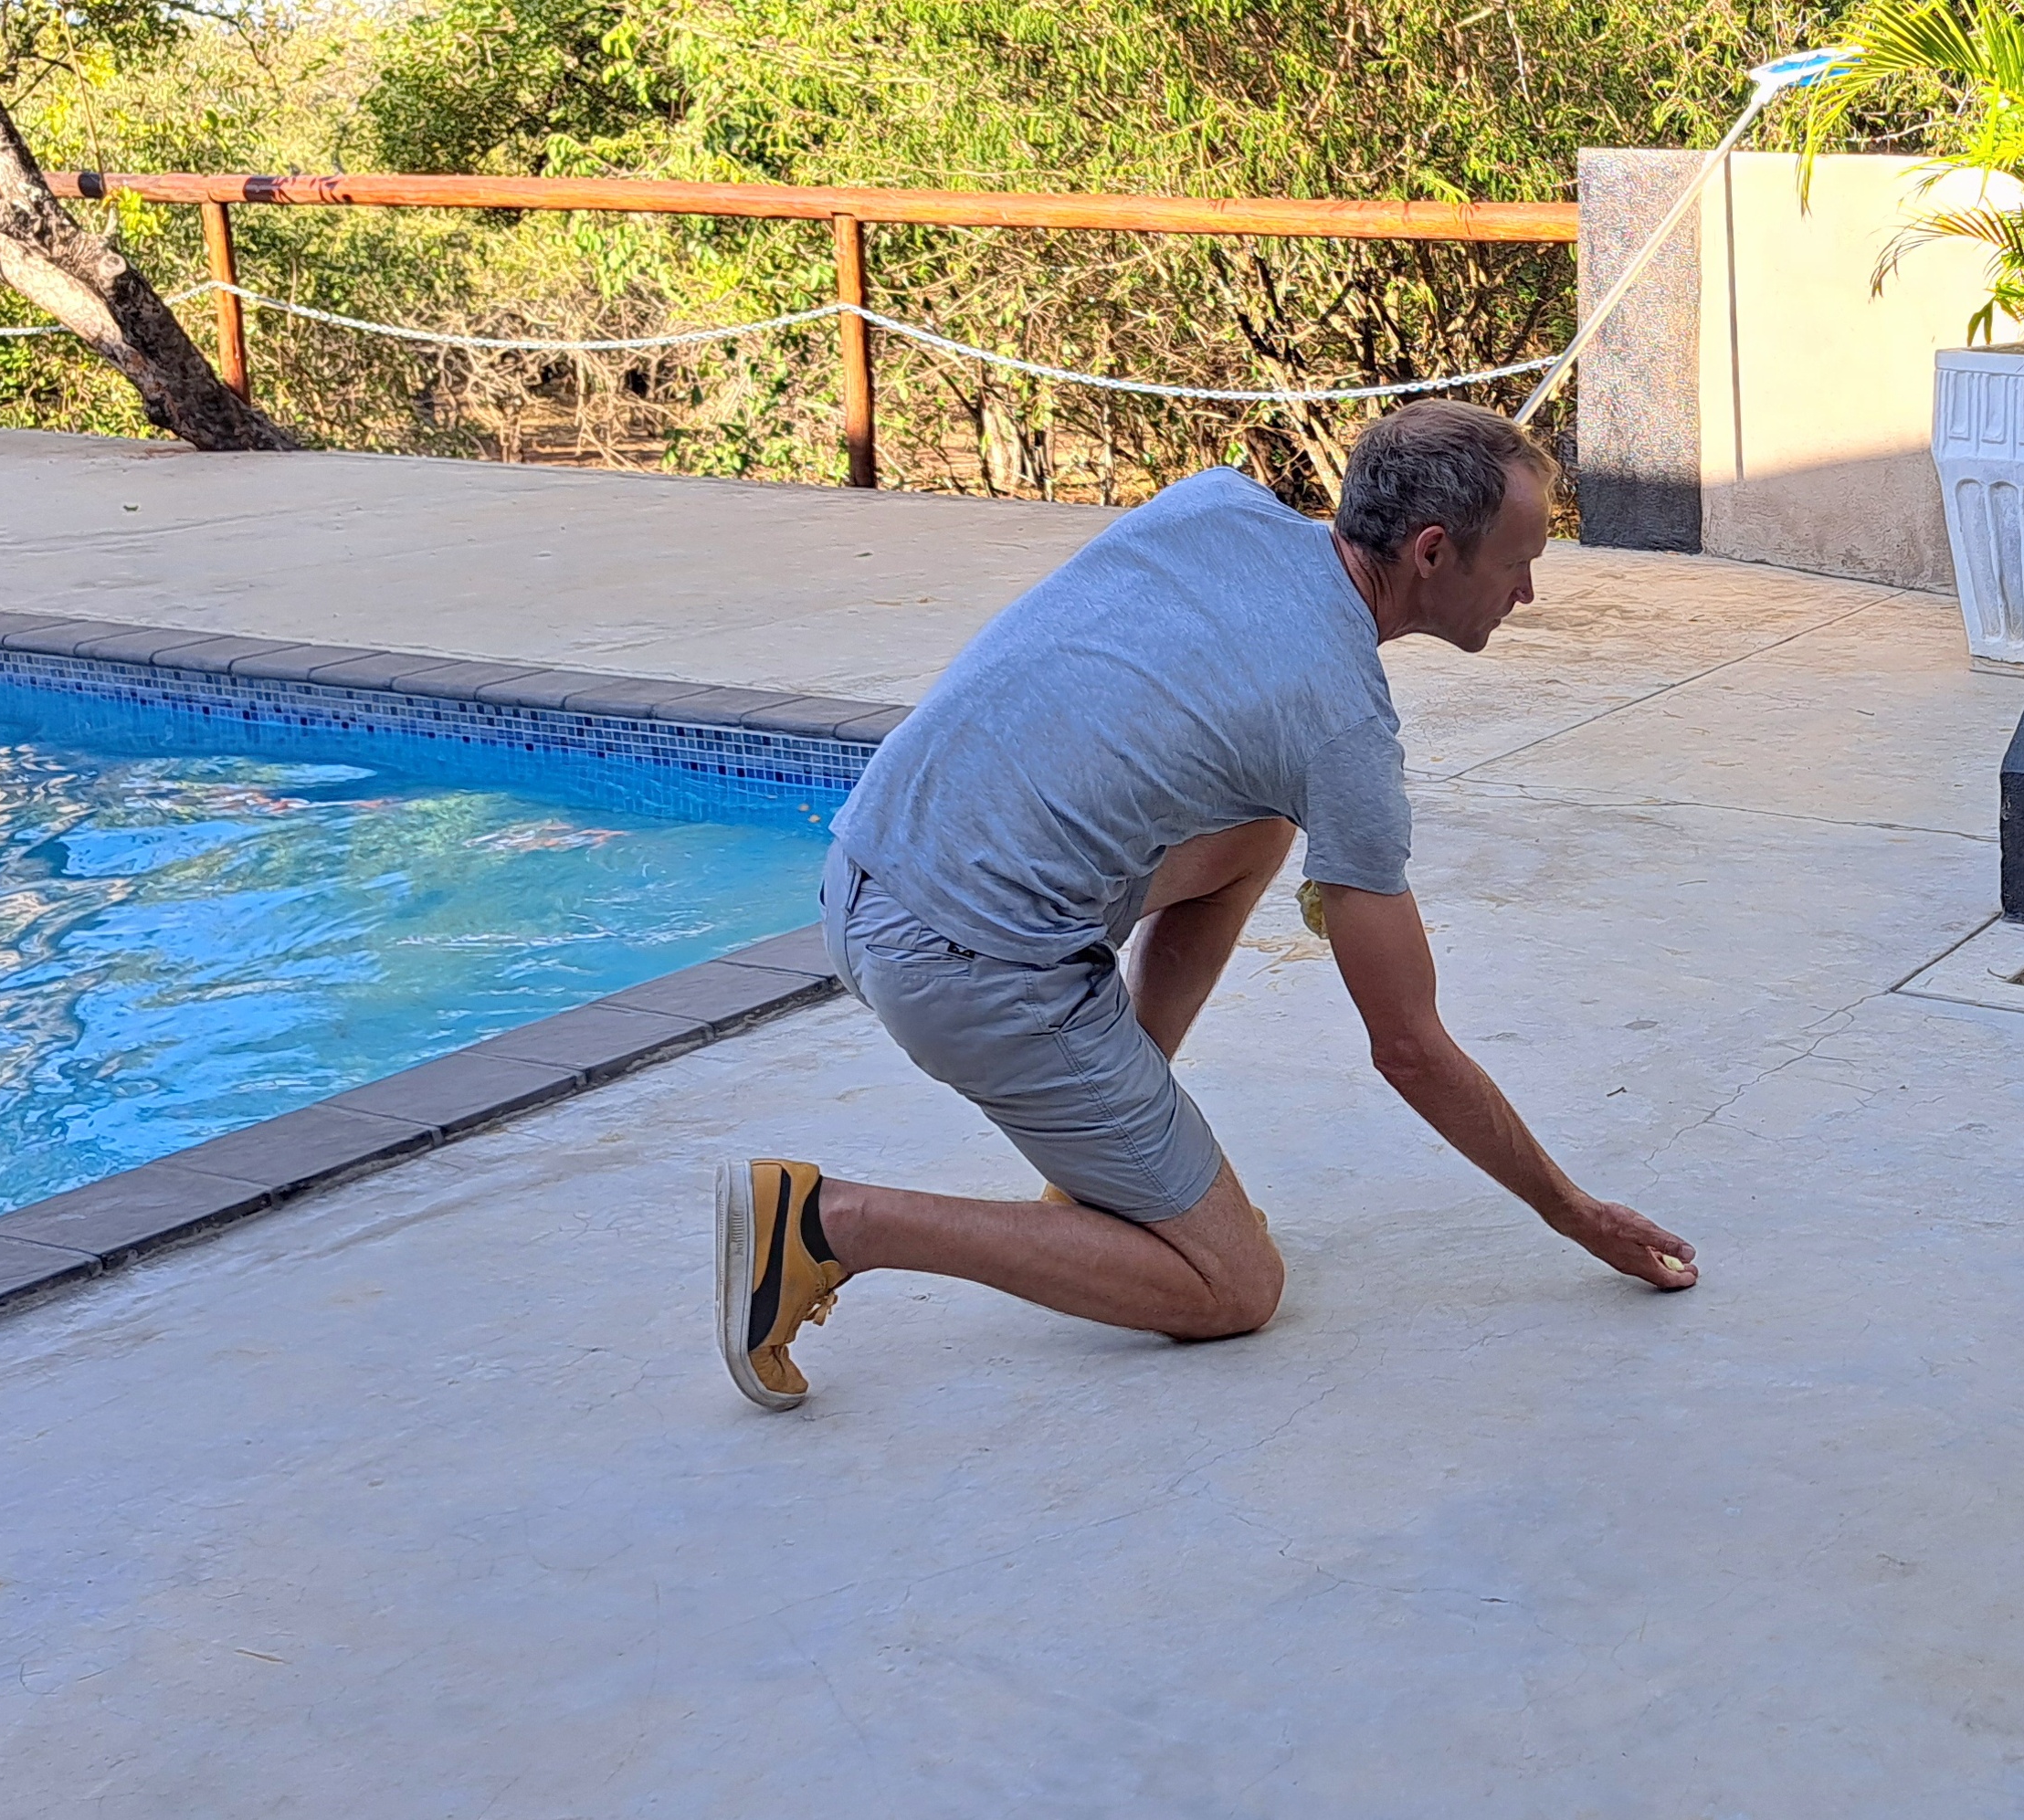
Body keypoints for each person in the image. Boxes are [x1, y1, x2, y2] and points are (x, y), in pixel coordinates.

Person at [716, 401, 1695, 1411]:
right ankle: (831, 1222)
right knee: (1233, 1286)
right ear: (1433, 551)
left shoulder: (1216, 504)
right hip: (967, 964)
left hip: (864, 869)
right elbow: (1408, 1047)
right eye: (1518, 562)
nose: (1527, 592)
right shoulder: (1339, 727)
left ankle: (1105, 1164)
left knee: (1262, 820)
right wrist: (1573, 1212)